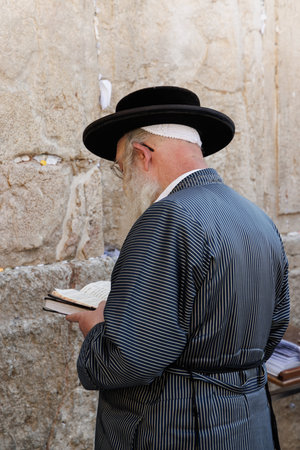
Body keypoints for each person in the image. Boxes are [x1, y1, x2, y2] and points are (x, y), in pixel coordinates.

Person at [67, 86, 289, 450]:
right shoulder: (258, 218)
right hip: (249, 425)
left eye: (122, 169)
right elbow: (272, 329)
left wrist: (96, 327)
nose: (125, 184)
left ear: (143, 155)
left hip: (180, 428)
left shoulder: (166, 218)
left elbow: (127, 361)